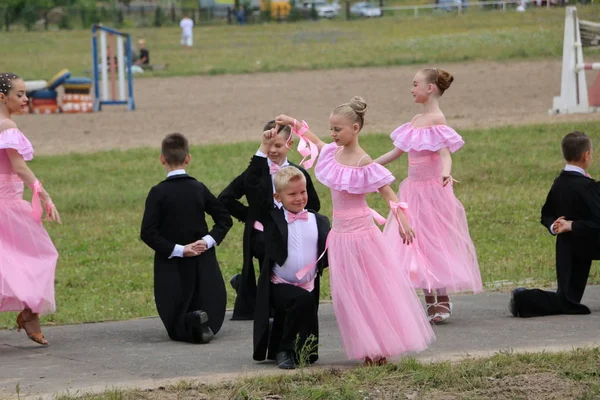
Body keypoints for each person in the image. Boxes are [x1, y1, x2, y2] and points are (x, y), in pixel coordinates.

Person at [275, 96, 434, 366]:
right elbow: (314, 140)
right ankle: (366, 348)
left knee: (371, 291)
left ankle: (380, 348)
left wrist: (403, 220)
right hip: (339, 237)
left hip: (363, 236)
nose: (333, 134)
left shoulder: (363, 161)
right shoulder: (331, 154)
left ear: (355, 129)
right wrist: (293, 123)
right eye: (332, 129)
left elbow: (387, 191)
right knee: (351, 297)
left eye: (338, 129)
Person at [374, 68, 482, 324]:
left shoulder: (438, 120)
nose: (411, 89)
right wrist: (368, 165)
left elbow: (445, 155)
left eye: (415, 84)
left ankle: (441, 296)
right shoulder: (414, 121)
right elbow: (395, 153)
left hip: (433, 192)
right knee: (415, 242)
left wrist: (445, 174)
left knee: (435, 240)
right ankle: (428, 295)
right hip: (412, 190)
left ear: (430, 88)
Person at [218, 121, 320, 321]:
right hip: (263, 237)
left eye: (278, 145)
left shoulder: (299, 174)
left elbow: (313, 206)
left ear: (290, 144)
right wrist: (251, 216)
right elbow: (225, 199)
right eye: (269, 145)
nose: (273, 150)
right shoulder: (256, 172)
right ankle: (261, 297)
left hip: (292, 236)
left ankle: (260, 294)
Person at [140, 133, 233, 343]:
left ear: (162, 159)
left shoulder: (157, 193)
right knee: (207, 300)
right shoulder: (198, 188)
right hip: (202, 260)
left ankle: (189, 322)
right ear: (188, 158)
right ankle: (201, 322)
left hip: (172, 265)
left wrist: (179, 250)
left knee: (175, 317)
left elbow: (147, 232)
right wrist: (207, 241)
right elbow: (224, 219)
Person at [510, 131, 600, 318]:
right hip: (589, 243)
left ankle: (524, 299)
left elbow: (546, 214)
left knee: (568, 299)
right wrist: (570, 226)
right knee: (567, 301)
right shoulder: (585, 186)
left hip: (569, 246)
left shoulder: (560, 183)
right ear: (587, 155)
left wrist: (554, 226)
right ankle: (523, 298)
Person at [0, 72, 61, 346]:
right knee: (41, 256)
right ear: (3, 97)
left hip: (9, 204)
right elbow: (19, 167)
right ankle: (30, 314)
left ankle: (30, 314)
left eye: (26, 93)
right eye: (20, 94)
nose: (26, 99)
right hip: (8, 207)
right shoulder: (7, 126)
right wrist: (45, 195)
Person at [252, 165, 330, 370]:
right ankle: (283, 350)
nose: (299, 198)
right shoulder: (272, 221)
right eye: (292, 194)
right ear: (278, 197)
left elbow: (327, 251)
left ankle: (294, 347)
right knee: (298, 300)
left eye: (302, 192)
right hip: (279, 284)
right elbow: (257, 196)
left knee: (309, 352)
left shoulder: (318, 220)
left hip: (309, 284)